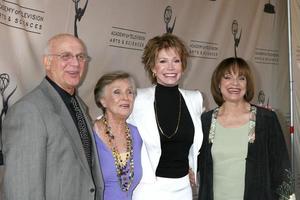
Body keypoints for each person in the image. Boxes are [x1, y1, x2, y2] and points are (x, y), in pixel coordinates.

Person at [2, 33, 104, 200]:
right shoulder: (29, 111)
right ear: (47, 62)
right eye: (66, 56)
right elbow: (22, 189)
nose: (75, 63)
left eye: (80, 56)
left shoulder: (79, 106)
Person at [198, 57, 291, 200]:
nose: (235, 83)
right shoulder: (206, 121)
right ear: (218, 84)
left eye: (241, 78)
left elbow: (282, 171)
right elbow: (194, 162)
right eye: (227, 77)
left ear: (247, 84)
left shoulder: (266, 119)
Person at [128, 33, 204, 200]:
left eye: (176, 61)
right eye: (163, 61)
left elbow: (197, 145)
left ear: (182, 66)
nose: (170, 67)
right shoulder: (136, 99)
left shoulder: (195, 99)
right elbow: (109, 126)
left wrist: (192, 167)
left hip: (183, 187)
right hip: (148, 189)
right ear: (153, 68)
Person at [93, 71, 142, 200]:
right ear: (102, 101)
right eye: (117, 92)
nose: (125, 98)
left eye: (129, 92)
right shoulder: (89, 134)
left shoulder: (138, 134)